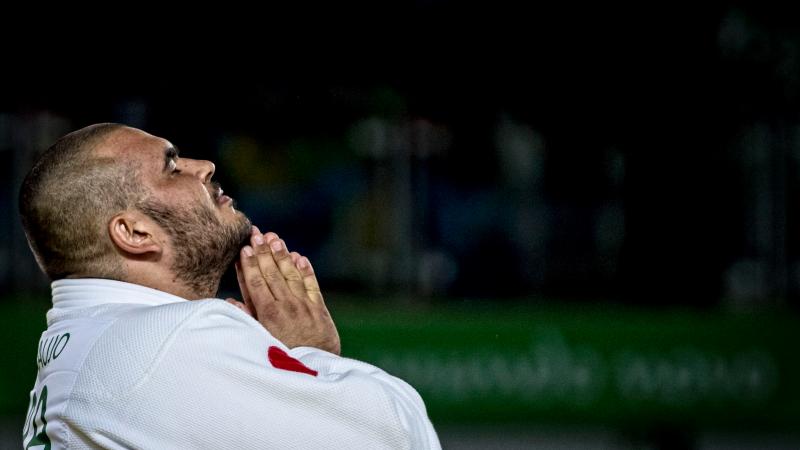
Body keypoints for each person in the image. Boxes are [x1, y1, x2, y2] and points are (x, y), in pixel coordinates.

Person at [19, 123, 441, 449]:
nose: (204, 167)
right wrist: (310, 356)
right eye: (172, 167)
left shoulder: (77, 342)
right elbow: (399, 437)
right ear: (134, 232)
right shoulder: (168, 339)